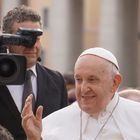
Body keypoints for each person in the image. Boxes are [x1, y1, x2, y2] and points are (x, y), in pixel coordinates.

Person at [21, 47, 140, 140]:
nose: (83, 89)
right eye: (79, 79)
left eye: (92, 80)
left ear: (115, 82)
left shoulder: (136, 116)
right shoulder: (52, 123)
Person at [0, 5, 68, 140]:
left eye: (36, 38)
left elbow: (63, 130)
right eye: (25, 37)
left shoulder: (56, 81)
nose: (32, 45)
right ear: (7, 40)